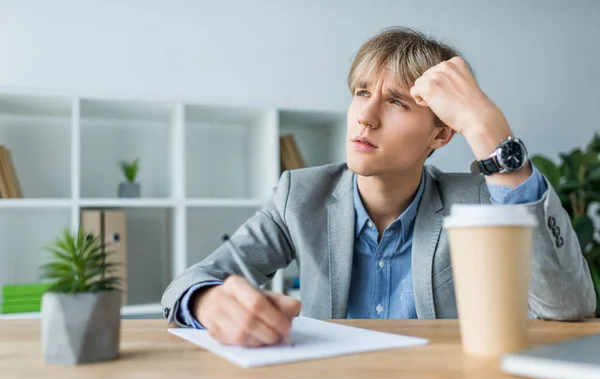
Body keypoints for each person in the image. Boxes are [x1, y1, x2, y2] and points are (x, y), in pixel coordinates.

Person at [161, 27, 596, 347]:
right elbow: (190, 282)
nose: (365, 117)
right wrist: (207, 301)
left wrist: (489, 132)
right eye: (362, 92)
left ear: (440, 135)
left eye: (396, 102)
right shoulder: (301, 194)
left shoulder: (480, 200)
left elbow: (570, 307)